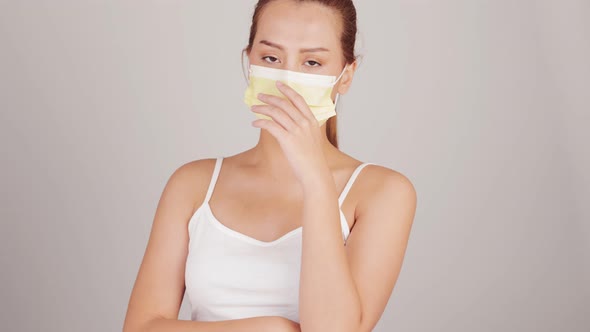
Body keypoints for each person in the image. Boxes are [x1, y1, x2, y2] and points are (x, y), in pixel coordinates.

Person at [123, 0, 417, 331]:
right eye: (271, 58)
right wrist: (271, 329)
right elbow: (140, 327)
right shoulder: (192, 184)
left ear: (345, 76)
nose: (287, 80)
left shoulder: (383, 192)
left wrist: (315, 180)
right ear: (249, 62)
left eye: (312, 62)